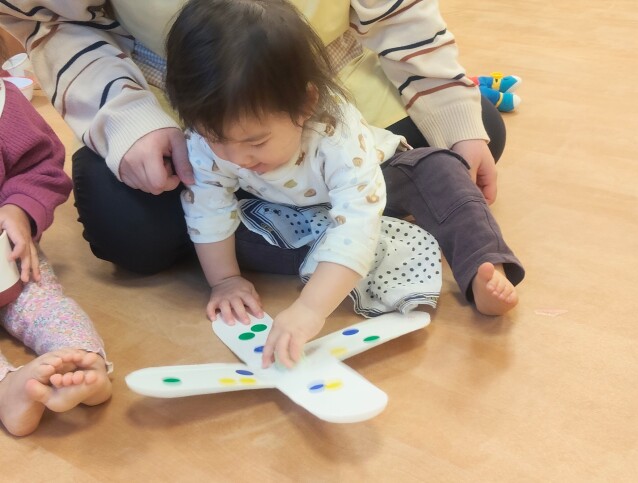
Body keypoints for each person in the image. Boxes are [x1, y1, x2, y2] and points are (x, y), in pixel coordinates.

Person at [0, 0, 509, 276]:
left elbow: (400, 14)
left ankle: (272, 226)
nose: (243, 159)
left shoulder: (323, 119)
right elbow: (48, 19)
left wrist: (452, 112)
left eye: (256, 145)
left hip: (337, 88)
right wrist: (127, 120)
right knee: (126, 228)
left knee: (475, 130)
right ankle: (302, 217)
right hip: (184, 107)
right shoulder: (213, 141)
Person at [165, 0, 524, 369]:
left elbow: (356, 218)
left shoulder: (335, 132)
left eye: (256, 142)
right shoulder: (205, 138)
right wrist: (225, 280)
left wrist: (310, 309)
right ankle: (347, 258)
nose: (236, 157)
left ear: (306, 103)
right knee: (209, 230)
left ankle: (483, 267)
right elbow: (208, 208)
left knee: (441, 169)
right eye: (215, 139)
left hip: (377, 184)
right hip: (285, 215)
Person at [0, 74, 112, 437]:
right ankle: (7, 390)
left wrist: (20, 207)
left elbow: (39, 166)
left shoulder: (4, 105)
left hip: (9, 258)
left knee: (44, 304)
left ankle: (81, 360)